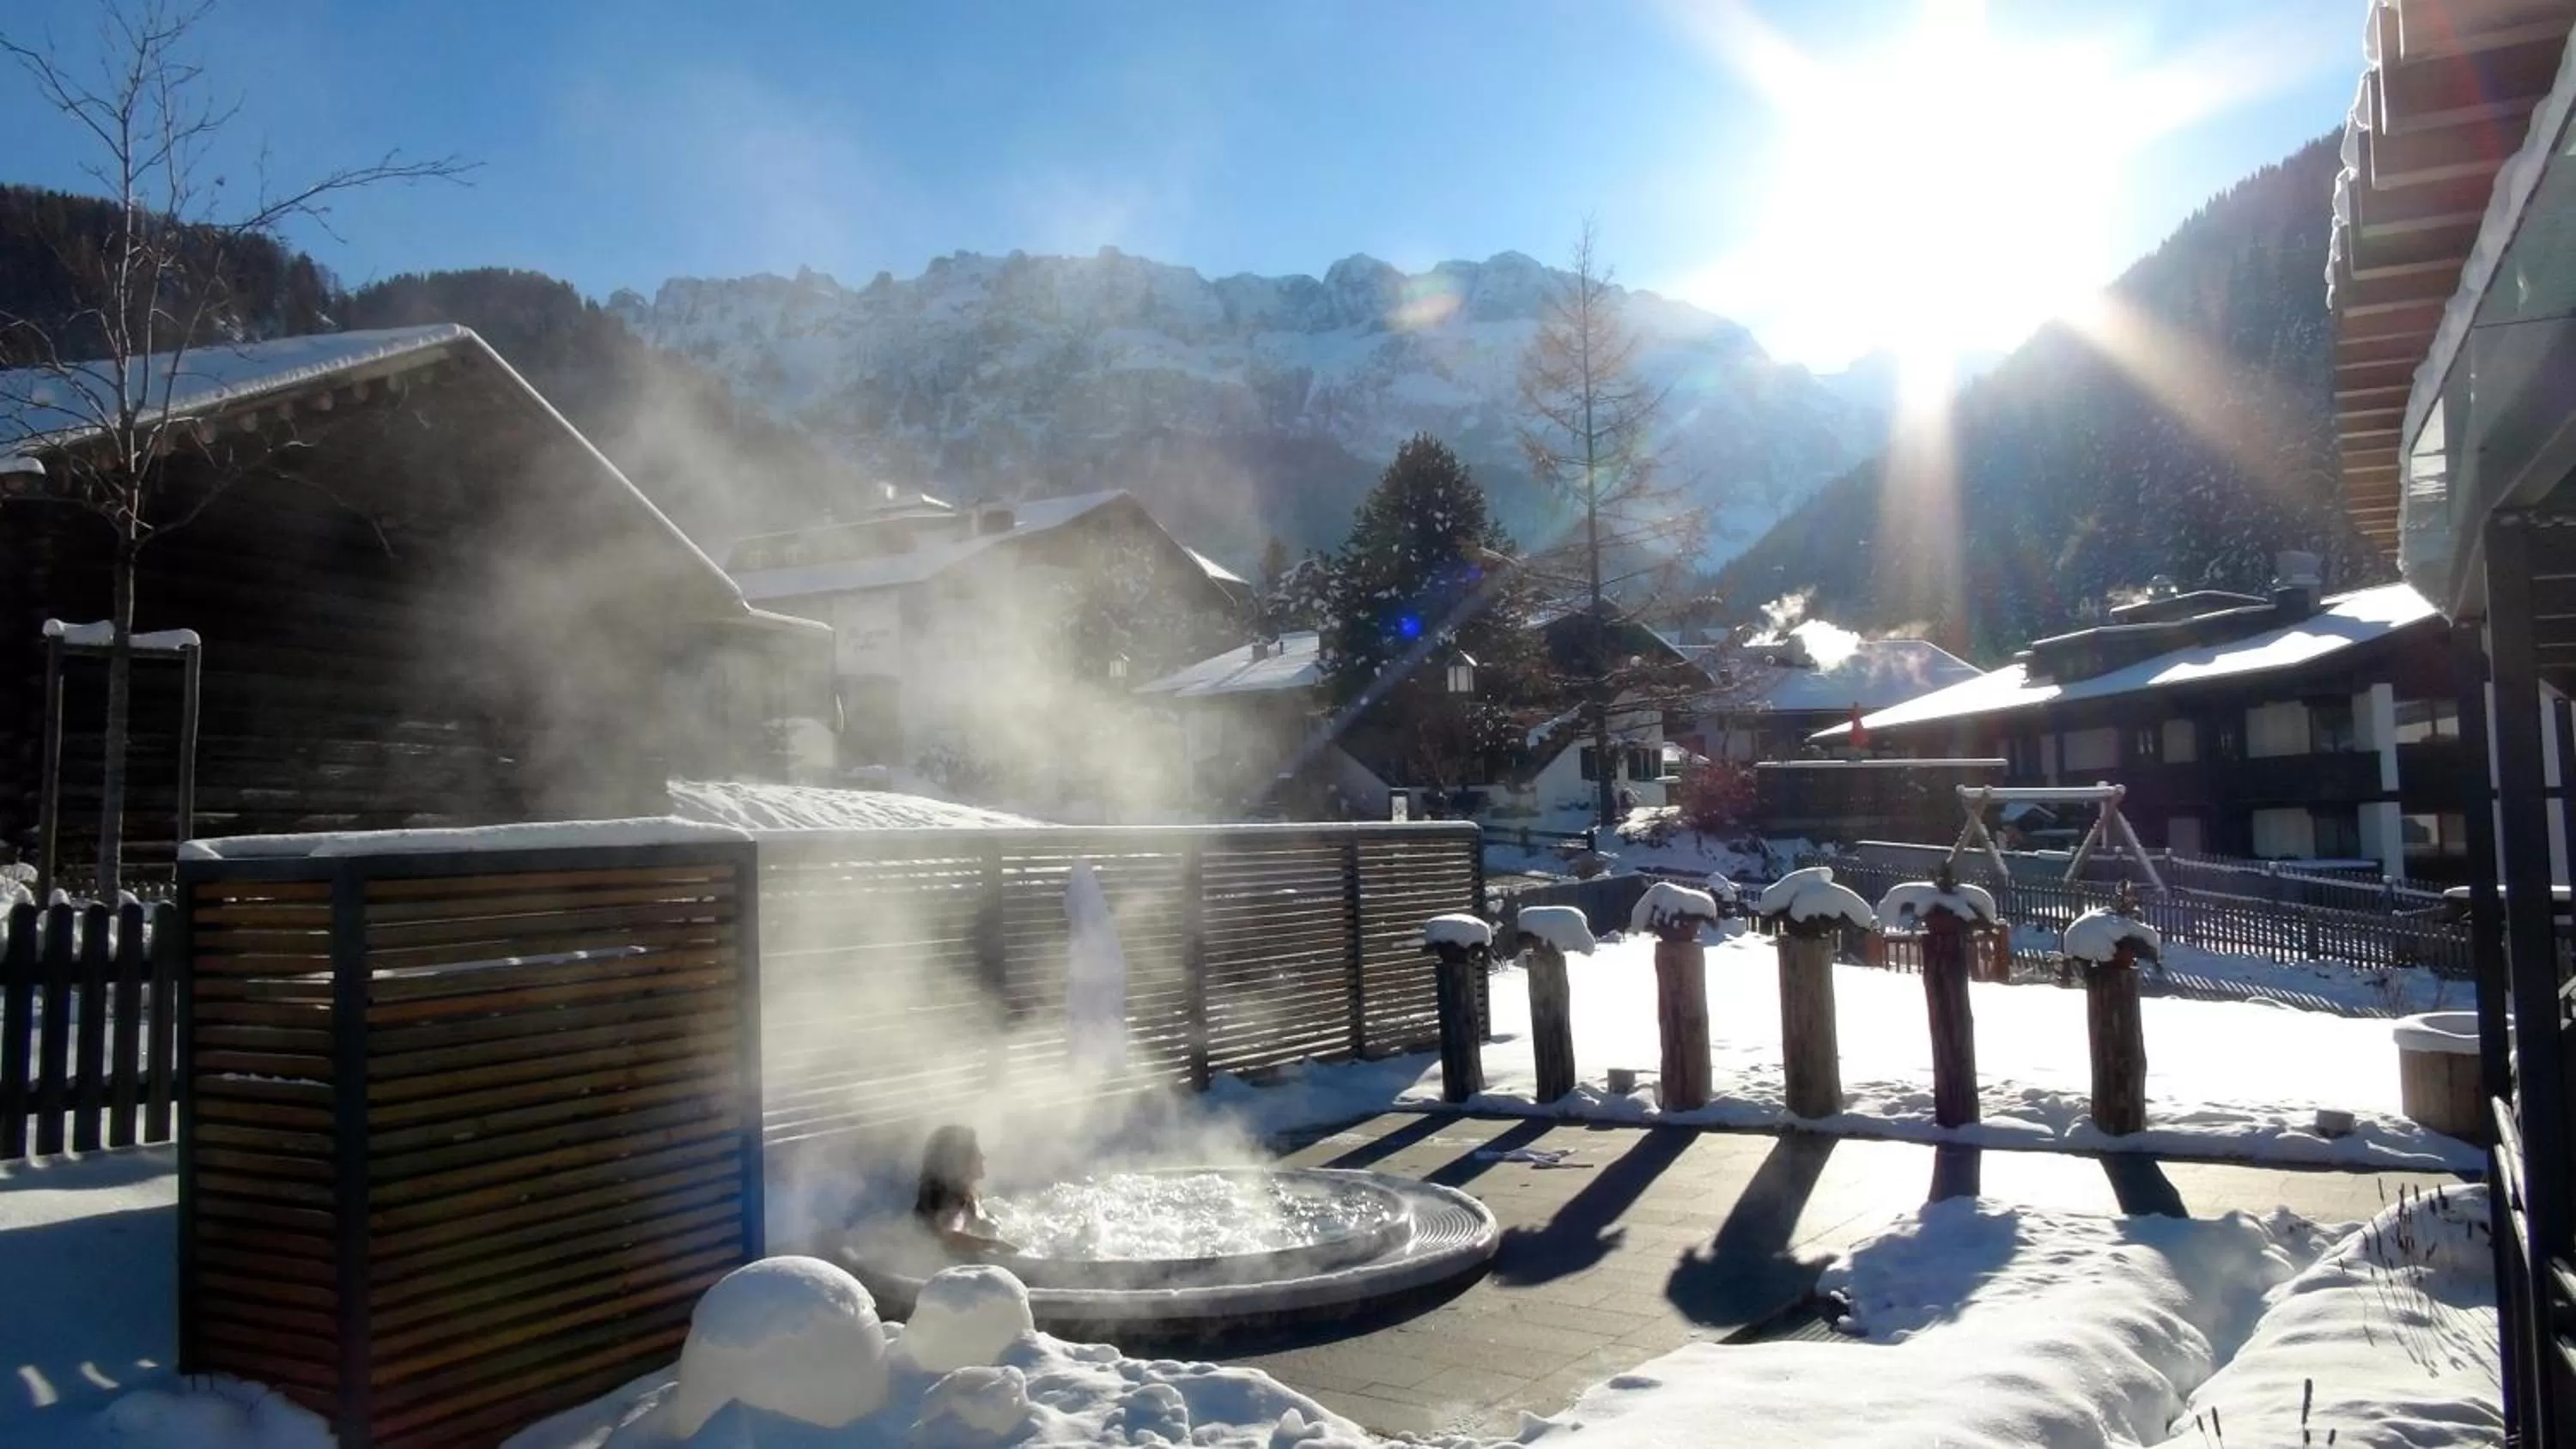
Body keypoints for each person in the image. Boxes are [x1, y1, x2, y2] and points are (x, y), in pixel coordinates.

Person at [913, 1125, 1018, 1256]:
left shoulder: (966, 1193)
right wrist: (994, 1244)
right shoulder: (954, 1201)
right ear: (960, 1161)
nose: (982, 1157)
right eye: (976, 1152)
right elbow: (948, 1236)